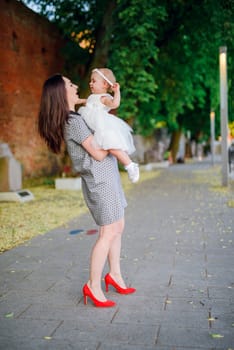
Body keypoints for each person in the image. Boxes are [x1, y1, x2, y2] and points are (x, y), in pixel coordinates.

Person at [38, 74, 136, 308]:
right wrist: (113, 139)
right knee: (108, 232)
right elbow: (100, 153)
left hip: (108, 176)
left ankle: (115, 275)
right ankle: (93, 285)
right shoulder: (74, 122)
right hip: (99, 181)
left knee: (118, 227)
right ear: (62, 94)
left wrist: (94, 101)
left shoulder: (78, 116)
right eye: (70, 85)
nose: (75, 86)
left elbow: (90, 101)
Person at [78, 68, 139, 183]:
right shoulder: (92, 97)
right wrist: (78, 101)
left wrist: (117, 92)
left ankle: (130, 165)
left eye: (94, 81)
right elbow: (87, 102)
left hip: (103, 126)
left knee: (113, 147)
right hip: (95, 126)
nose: (90, 83)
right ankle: (129, 164)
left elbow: (115, 104)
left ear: (105, 84)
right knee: (107, 147)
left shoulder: (104, 98)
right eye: (90, 81)